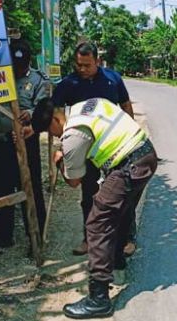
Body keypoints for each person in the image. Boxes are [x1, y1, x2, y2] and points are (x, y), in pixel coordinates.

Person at [31, 97, 157, 319]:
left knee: (97, 223)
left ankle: (98, 299)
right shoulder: (88, 105)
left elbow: (74, 181)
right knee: (119, 210)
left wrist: (58, 161)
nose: (54, 136)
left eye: (50, 132)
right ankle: (116, 258)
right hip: (145, 154)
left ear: (55, 119)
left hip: (129, 165)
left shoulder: (73, 134)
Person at [52, 42, 138, 257]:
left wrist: (129, 135)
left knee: (121, 192)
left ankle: (126, 238)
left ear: (97, 62)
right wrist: (67, 138)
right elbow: (56, 110)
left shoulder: (112, 79)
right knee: (88, 194)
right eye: (79, 65)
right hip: (86, 148)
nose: (82, 69)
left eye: (87, 65)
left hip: (113, 146)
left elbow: (126, 106)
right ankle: (89, 238)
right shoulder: (68, 83)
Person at [0, 38, 49, 253]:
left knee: (30, 190)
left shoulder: (37, 80)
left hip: (25, 144)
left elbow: (45, 110)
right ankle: (2, 237)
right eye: (14, 66)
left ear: (28, 62)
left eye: (21, 66)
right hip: (0, 144)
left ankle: (35, 237)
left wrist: (32, 114)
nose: (17, 70)